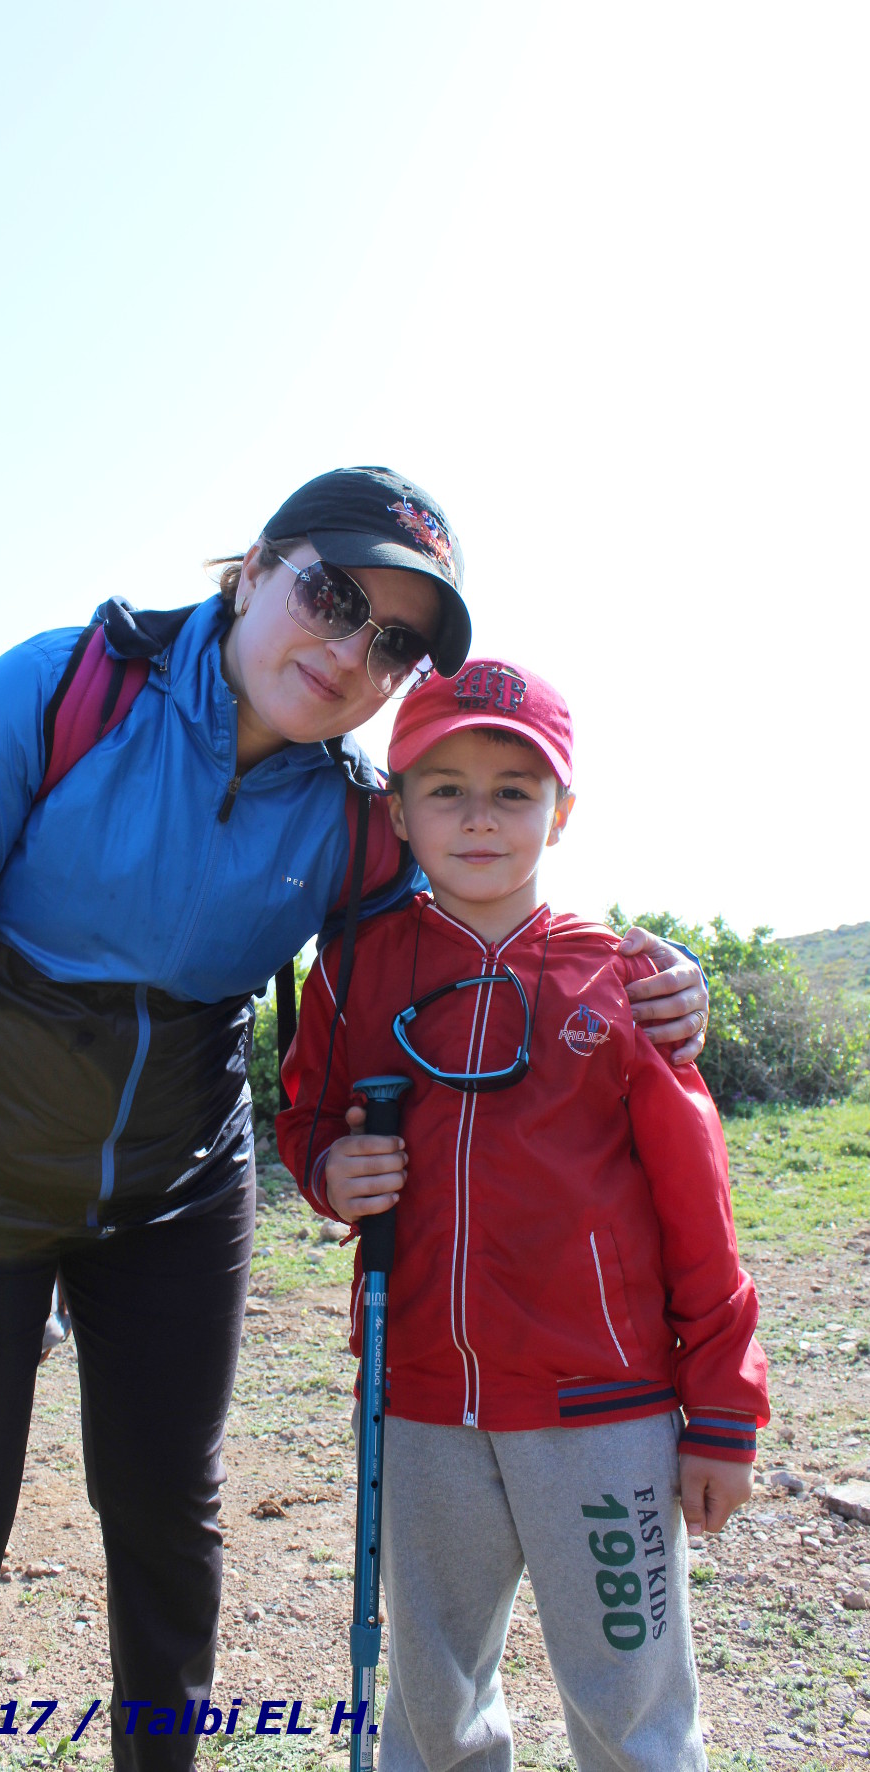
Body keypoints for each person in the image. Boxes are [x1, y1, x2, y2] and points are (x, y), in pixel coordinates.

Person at [0, 467, 707, 1772]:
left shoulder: (351, 817)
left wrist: (646, 980)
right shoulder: (54, 694)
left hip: (177, 1183)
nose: (347, 652)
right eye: (329, 597)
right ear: (254, 567)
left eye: (390, 641)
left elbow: (492, 894)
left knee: (168, 1514)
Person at [277, 658, 768, 1772]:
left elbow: (700, 1214)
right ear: (395, 809)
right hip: (414, 1402)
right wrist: (327, 1169)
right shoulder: (353, 967)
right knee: (432, 1700)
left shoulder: (623, 981)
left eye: (513, 788)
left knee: (629, 1702)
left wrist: (722, 1409)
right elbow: (305, 1114)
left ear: (562, 809)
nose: (479, 816)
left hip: (600, 1409)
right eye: (443, 788)